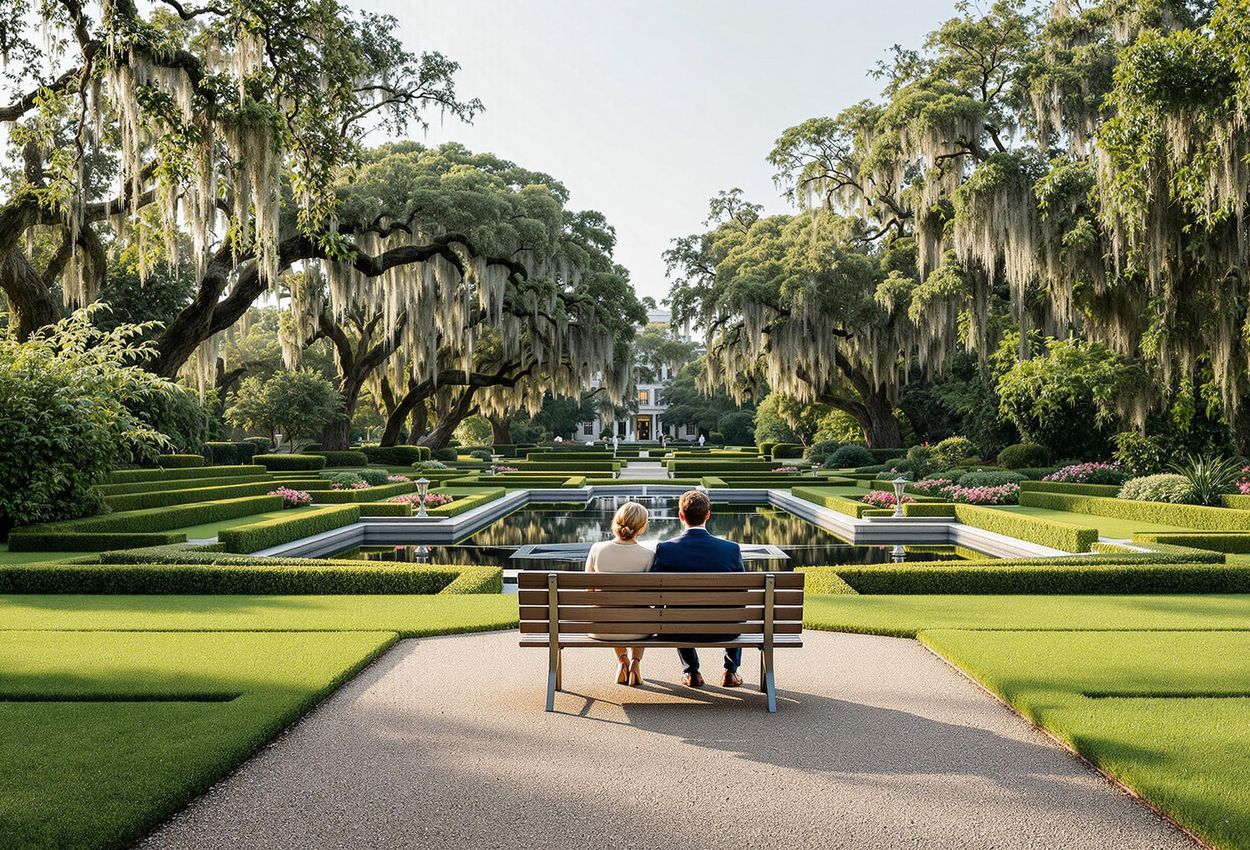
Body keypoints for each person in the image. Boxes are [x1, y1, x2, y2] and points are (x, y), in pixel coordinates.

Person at [650, 490, 745, 688]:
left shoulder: (665, 549)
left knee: (674, 614)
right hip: (726, 630)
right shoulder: (731, 549)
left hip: (679, 630)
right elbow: (741, 595)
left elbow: (654, 596)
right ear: (708, 516)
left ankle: (691, 671)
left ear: (681, 516)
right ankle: (730, 671)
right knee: (737, 611)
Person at [584, 501, 654, 687]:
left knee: (607, 608)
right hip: (639, 631)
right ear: (641, 526)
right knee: (642, 610)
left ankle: (622, 660)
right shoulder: (648, 555)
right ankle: (635, 664)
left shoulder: (597, 549)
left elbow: (589, 592)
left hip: (603, 629)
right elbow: (653, 597)